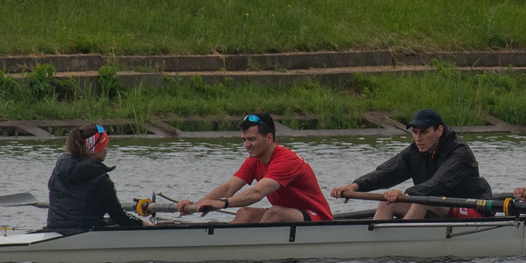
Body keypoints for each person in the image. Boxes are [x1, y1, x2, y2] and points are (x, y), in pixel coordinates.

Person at [335, 108, 491, 221]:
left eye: (423, 132)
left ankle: (402, 243)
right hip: (434, 204)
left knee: (420, 200)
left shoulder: (459, 153)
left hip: (472, 208)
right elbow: (386, 172)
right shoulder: (415, 152)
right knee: (386, 203)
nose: (418, 138)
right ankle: (376, 249)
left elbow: (438, 183)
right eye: (415, 132)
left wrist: (407, 194)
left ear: (439, 131)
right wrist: (355, 186)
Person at [178, 113, 333, 223]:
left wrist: (222, 203)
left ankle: (253, 254)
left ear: (269, 138)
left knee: (274, 213)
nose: (246, 145)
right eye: (244, 140)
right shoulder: (254, 160)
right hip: (289, 215)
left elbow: (257, 193)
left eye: (251, 139)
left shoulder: (286, 160)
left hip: (317, 217)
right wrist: (195, 205)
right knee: (244, 213)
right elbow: (228, 188)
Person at [46, 123, 152, 232]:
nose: (107, 150)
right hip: (84, 233)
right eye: (105, 145)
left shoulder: (58, 171)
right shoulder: (101, 180)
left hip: (54, 228)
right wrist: (143, 224)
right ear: (96, 149)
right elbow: (120, 217)